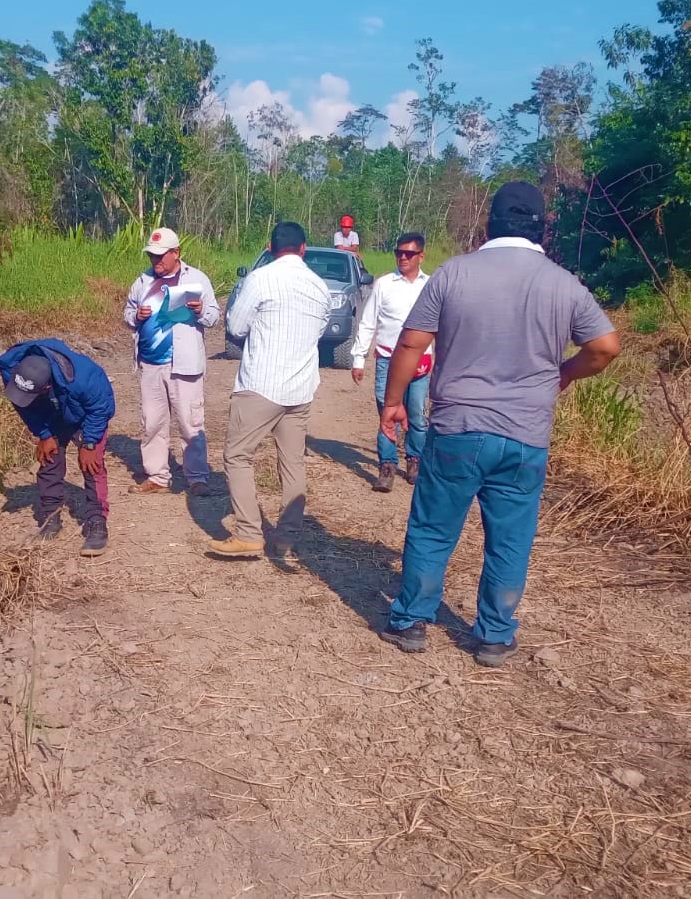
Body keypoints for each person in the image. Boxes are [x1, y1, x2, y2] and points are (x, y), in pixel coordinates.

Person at [375, 182, 621, 667]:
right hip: (525, 435)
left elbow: (410, 344)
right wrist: (564, 374)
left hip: (459, 428)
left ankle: (409, 622)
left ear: (490, 224)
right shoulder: (563, 284)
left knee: (432, 528)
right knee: (509, 539)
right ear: (543, 228)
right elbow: (606, 346)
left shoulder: (453, 275)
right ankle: (493, 635)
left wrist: (393, 402)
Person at [209, 221, 331, 558]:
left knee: (237, 455)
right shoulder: (319, 286)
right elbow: (319, 331)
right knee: (292, 462)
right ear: (303, 249)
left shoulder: (260, 279)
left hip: (261, 384)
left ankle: (249, 533)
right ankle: (287, 535)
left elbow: (235, 325)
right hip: (300, 387)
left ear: (271, 247)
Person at [0, 338, 117, 557]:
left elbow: (101, 408)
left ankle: (97, 522)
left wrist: (89, 443)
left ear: (47, 386)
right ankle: (51, 518)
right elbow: (24, 405)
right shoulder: (15, 372)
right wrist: (44, 433)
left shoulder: (85, 377)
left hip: (85, 415)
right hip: (51, 414)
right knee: (48, 460)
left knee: (92, 465)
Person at [123, 227, 220, 496]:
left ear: (176, 253)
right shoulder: (142, 281)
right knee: (152, 422)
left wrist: (201, 311)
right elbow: (127, 313)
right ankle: (157, 476)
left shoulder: (197, 279)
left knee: (190, 422)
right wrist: (137, 317)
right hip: (150, 364)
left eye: (161, 256)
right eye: (152, 256)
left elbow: (214, 316)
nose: (156, 262)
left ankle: (197, 478)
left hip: (184, 363)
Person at [350, 231, 431, 493]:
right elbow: (368, 321)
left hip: (421, 362)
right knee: (388, 414)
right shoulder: (384, 284)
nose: (403, 258)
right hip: (388, 359)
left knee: (417, 415)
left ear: (421, 256)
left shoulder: (430, 286)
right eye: (399, 253)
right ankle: (386, 465)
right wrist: (358, 358)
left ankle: (414, 461)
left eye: (409, 254)